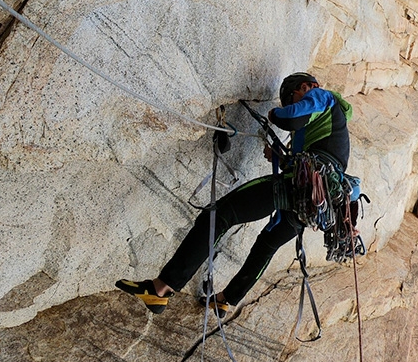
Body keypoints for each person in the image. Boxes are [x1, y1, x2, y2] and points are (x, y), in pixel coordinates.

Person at [116, 72, 352, 317]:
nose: (294, 104)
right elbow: (316, 157)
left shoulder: (322, 96)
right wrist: (282, 159)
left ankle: (161, 289)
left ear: (303, 87)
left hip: (299, 188)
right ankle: (226, 300)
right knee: (267, 245)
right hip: (313, 203)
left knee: (218, 215)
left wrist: (274, 114)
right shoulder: (332, 127)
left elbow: (291, 118)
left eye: (292, 99)